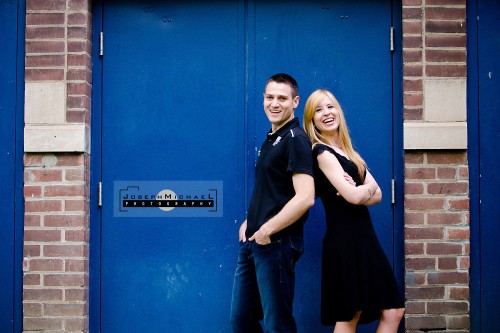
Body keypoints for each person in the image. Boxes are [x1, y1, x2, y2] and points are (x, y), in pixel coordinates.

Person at [302, 89, 405, 333]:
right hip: (344, 241)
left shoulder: (349, 153)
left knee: (393, 310)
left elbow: (377, 194)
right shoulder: (322, 153)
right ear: (312, 120)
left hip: (365, 238)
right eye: (318, 110)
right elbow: (355, 195)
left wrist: (362, 190)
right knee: (351, 314)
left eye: (330, 107)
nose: (326, 113)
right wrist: (363, 189)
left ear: (338, 110)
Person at [230, 73, 315, 333]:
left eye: (282, 98)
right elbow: (272, 190)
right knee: (241, 322)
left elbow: (305, 197)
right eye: (269, 97)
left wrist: (267, 229)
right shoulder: (273, 137)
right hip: (253, 242)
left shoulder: (296, 139)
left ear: (295, 101)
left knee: (278, 325)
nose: (274, 103)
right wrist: (251, 221)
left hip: (276, 243)